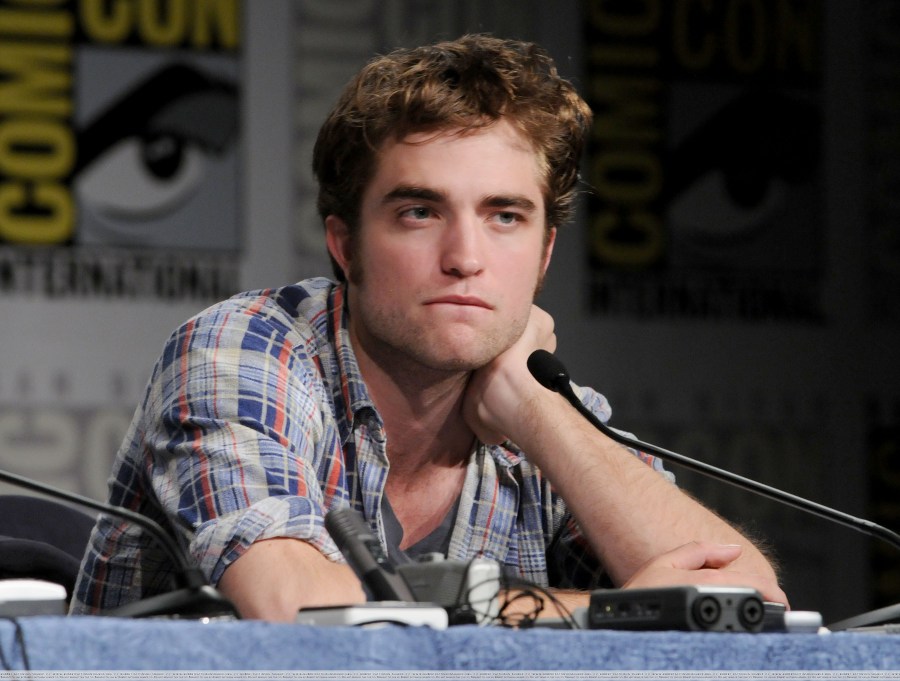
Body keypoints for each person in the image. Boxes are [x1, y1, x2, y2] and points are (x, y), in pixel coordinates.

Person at [70, 34, 787, 621]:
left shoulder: (549, 412)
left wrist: (535, 412)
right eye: (420, 212)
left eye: (504, 216)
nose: (465, 258)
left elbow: (749, 606)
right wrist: (606, 613)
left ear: (543, 256)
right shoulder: (243, 352)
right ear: (345, 246)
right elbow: (296, 609)